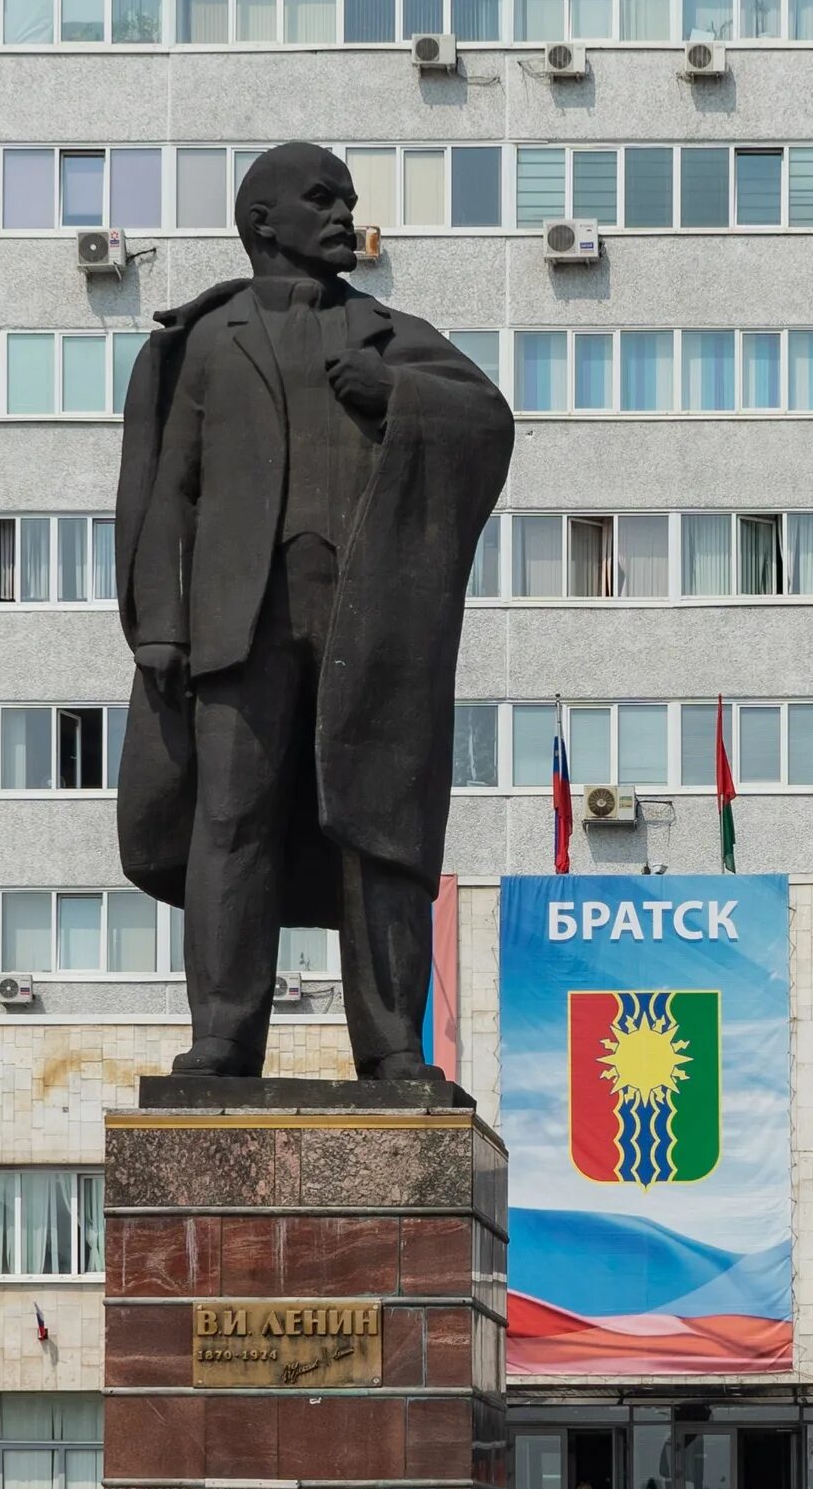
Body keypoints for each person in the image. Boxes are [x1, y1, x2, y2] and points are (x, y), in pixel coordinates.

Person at [113, 141, 515, 1082]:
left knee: (377, 830)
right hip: (235, 627)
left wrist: (399, 397)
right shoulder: (200, 344)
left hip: (365, 628)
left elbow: (487, 422)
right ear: (264, 223)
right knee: (230, 823)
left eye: (349, 200)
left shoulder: (387, 334)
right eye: (322, 200)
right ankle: (223, 1036)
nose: (345, 216)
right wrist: (159, 625)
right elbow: (160, 493)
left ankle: (390, 1047)